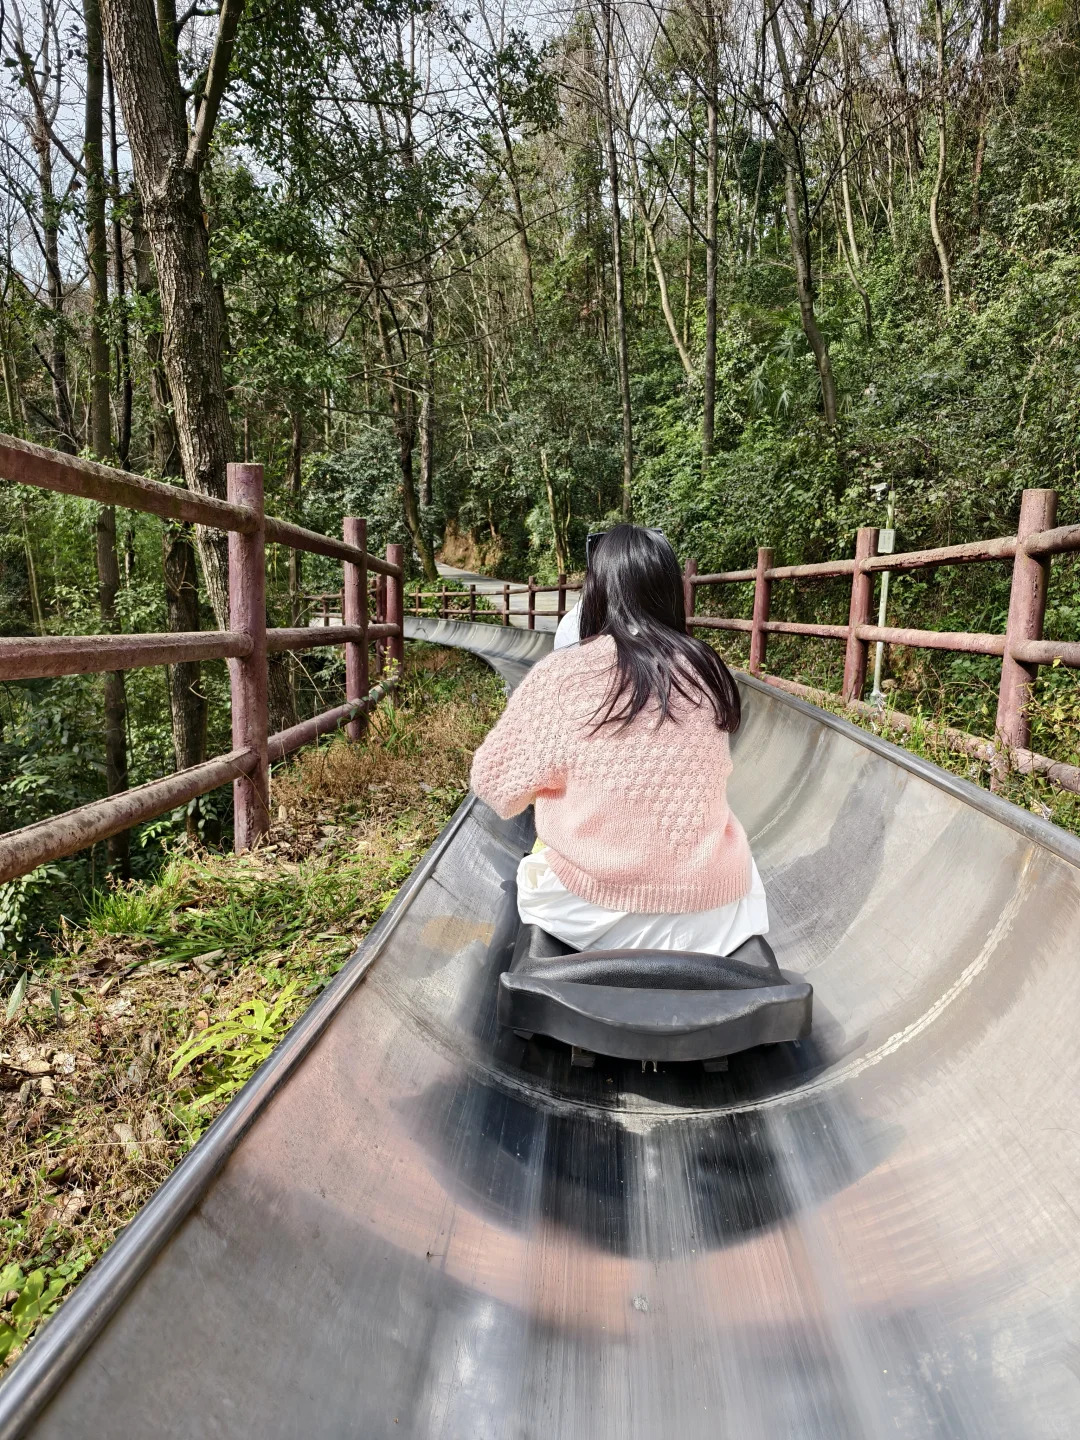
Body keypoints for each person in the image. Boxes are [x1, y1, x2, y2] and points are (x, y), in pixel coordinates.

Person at [469, 525, 768, 957]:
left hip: (591, 913)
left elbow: (496, 786)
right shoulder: (707, 670)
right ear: (670, 591)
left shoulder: (565, 674)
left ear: (596, 592)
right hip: (715, 920)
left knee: (534, 871)